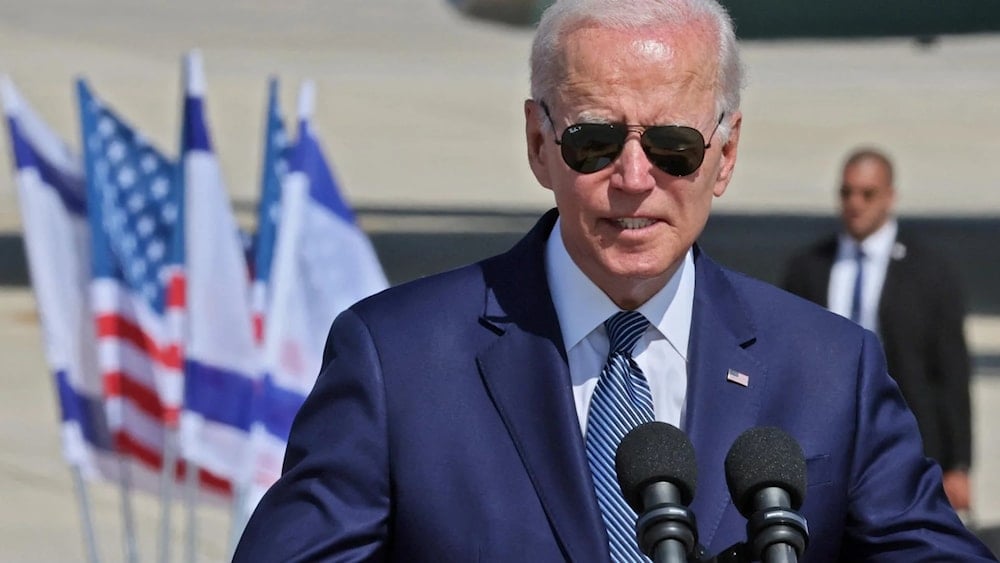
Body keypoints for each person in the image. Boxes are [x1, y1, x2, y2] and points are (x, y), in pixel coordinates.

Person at [234, 1, 995, 561]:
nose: (634, 178)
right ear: (539, 144)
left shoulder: (832, 369)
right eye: (595, 141)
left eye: (673, 146)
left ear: (725, 156)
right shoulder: (396, 361)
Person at [782, 147, 975, 513]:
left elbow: (951, 373)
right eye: (846, 192)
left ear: (890, 197)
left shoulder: (930, 271)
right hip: (826, 439)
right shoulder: (808, 267)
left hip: (908, 441)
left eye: (867, 193)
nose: (855, 203)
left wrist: (958, 465)